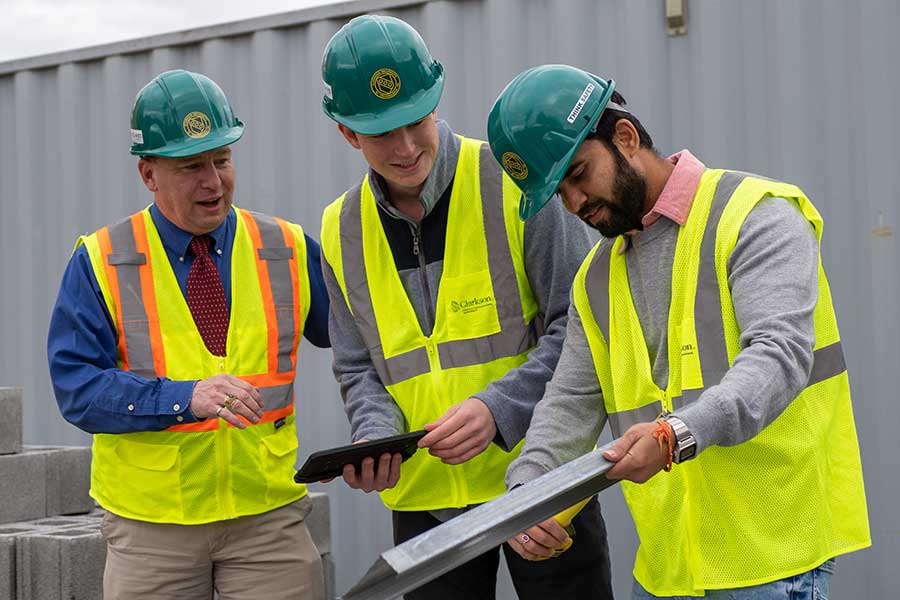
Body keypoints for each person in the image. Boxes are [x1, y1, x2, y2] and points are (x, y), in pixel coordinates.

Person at [487, 64, 871, 599]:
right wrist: (528, 496)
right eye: (559, 194)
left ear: (625, 137)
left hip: (769, 560)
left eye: (578, 174)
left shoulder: (755, 215)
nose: (575, 204)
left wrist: (674, 437)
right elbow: (570, 403)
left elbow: (777, 358)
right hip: (671, 570)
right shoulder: (595, 277)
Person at [318, 15, 613, 600]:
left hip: (540, 482)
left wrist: (497, 409)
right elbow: (358, 367)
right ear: (348, 134)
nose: (405, 148)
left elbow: (584, 326)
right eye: (381, 133)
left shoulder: (516, 183)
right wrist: (375, 438)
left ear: (436, 99)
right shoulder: (338, 228)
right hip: (427, 506)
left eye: (415, 121)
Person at [47, 69, 329, 600]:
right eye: (191, 167)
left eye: (222, 160)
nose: (213, 181)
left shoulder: (287, 246)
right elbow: (77, 388)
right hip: (152, 531)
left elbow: (362, 343)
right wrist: (183, 398)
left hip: (267, 519)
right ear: (148, 174)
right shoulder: (101, 259)